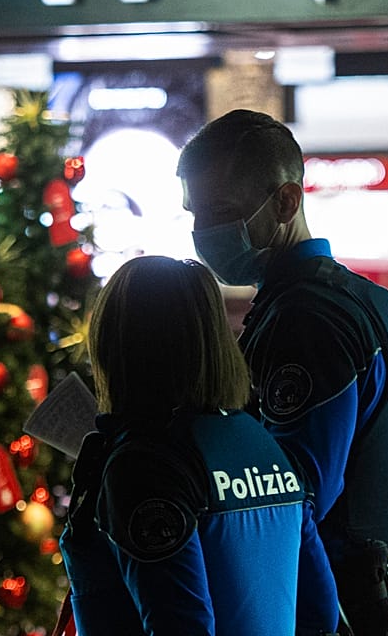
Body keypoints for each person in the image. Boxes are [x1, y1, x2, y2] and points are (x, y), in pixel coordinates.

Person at [177, 110, 388, 636]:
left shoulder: (306, 318)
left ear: (287, 201)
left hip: (330, 604)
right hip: (367, 597)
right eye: (195, 215)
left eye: (220, 212)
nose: (204, 233)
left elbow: (291, 493)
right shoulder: (362, 300)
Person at [60, 255, 317, 636]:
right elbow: (322, 610)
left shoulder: (143, 465)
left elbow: (181, 625)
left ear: (115, 345)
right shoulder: (263, 442)